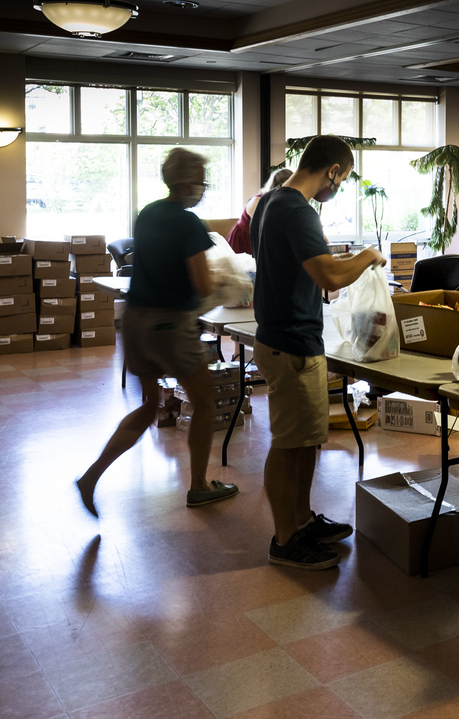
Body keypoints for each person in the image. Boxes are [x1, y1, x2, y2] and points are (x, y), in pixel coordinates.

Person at [76, 148, 238, 516]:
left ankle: (91, 476)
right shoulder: (189, 223)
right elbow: (200, 283)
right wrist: (228, 281)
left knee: (150, 405)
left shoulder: (147, 213)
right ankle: (198, 486)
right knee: (205, 402)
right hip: (170, 324)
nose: (203, 187)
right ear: (185, 182)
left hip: (136, 321)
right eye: (201, 180)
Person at [251, 135, 386, 570]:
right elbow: (329, 277)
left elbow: (306, 265)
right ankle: (285, 539)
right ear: (332, 170)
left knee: (306, 441)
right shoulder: (297, 210)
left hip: (284, 336)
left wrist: (337, 259)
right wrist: (366, 257)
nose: (339, 187)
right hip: (291, 343)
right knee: (290, 445)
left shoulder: (270, 202)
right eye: (342, 179)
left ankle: (302, 520)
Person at [226, 167, 292, 256]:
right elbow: (266, 231)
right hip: (244, 244)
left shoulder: (283, 204)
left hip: (259, 243)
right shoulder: (257, 201)